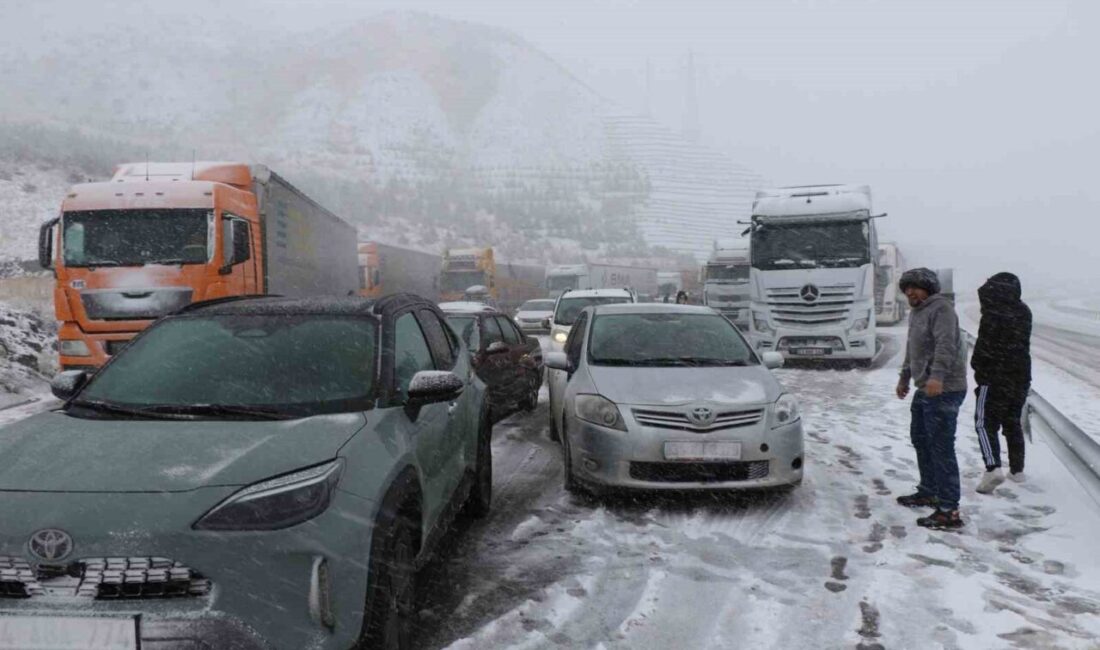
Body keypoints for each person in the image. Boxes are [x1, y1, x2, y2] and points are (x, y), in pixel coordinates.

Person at [895, 268, 969, 530]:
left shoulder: (941, 309)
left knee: (941, 447)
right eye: (906, 288)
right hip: (925, 388)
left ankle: (949, 510)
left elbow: (945, 344)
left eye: (915, 287)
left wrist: (937, 376)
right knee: (921, 440)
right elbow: (913, 350)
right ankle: (930, 490)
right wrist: (904, 378)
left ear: (928, 288)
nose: (910, 292)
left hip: (944, 388)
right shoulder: (917, 312)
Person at [971, 272, 1032, 493]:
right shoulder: (1023, 311)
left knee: (983, 423)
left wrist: (978, 366)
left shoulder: (993, 313)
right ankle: (1017, 470)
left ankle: (992, 468)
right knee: (1012, 422)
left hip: (994, 377)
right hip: (1021, 377)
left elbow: (984, 347)